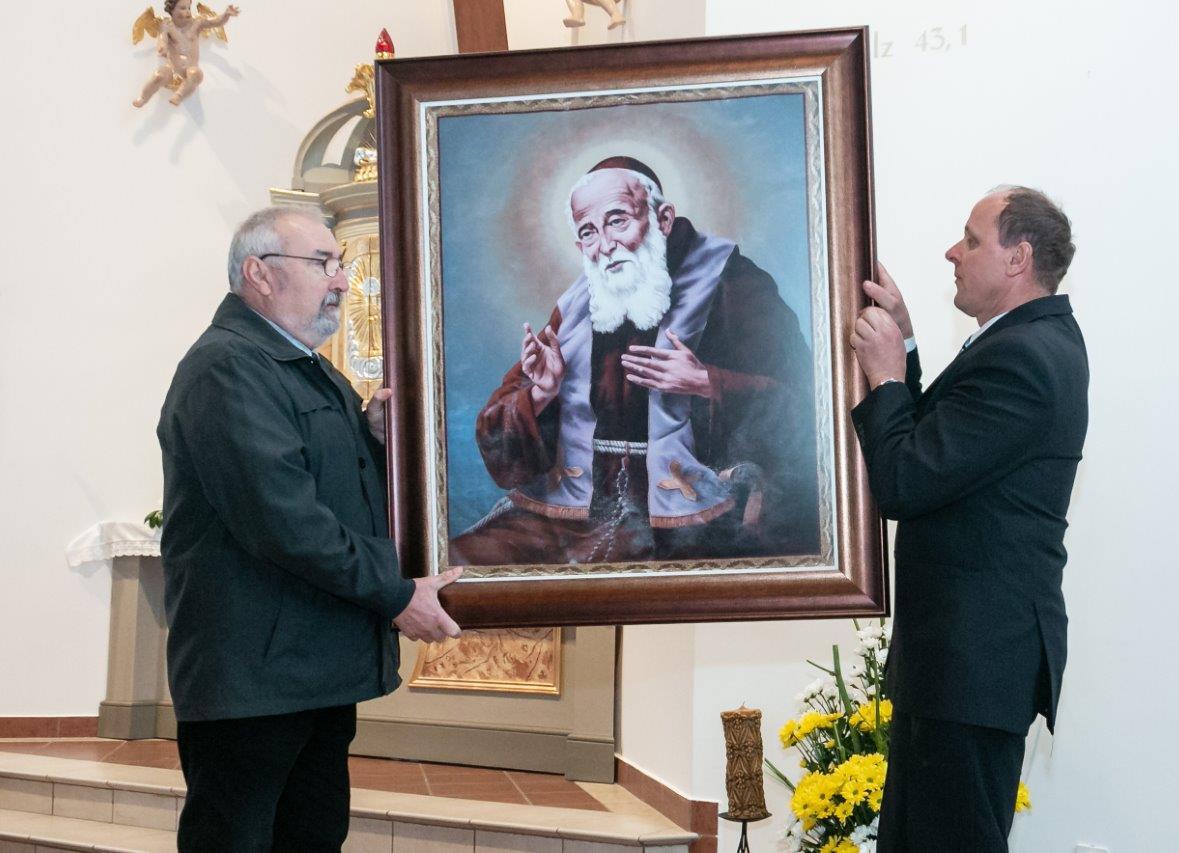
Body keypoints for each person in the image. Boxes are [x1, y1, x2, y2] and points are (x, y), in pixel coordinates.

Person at [157, 207, 462, 851]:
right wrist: (397, 594)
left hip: (310, 669)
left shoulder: (307, 369)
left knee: (313, 837)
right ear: (259, 273)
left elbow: (329, 491)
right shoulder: (227, 367)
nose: (342, 281)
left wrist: (372, 440)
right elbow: (284, 523)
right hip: (253, 681)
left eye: (340, 264)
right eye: (323, 263)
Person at [848, 187, 1088, 851]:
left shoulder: (1025, 356)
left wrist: (887, 380)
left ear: (1018, 258)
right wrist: (906, 344)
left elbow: (907, 480)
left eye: (972, 239)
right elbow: (942, 447)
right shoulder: (1022, 342)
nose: (953, 253)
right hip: (961, 667)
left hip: (972, 667)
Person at [450, 156, 818, 566]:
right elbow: (496, 435)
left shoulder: (732, 283)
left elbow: (806, 408)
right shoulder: (576, 307)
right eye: (589, 231)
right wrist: (541, 393)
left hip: (690, 521)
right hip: (575, 514)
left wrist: (707, 382)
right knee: (462, 562)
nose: (605, 244)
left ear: (663, 219)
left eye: (618, 221)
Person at [133, 0, 239, 108]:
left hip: (189, 70)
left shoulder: (197, 23)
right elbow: (162, 38)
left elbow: (215, 22)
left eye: (189, 7)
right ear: (172, 10)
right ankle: (143, 98)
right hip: (172, 68)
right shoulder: (166, 25)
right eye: (183, 8)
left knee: (196, 74)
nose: (188, 11)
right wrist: (162, 47)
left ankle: (179, 95)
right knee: (158, 76)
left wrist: (226, 15)